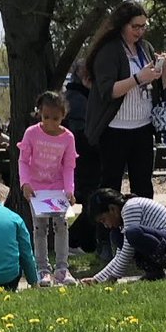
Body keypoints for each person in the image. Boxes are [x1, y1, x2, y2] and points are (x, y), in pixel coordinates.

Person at [85, 0, 166, 198]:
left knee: (143, 189)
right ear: (122, 24)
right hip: (115, 130)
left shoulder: (145, 48)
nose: (140, 31)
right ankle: (105, 229)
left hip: (143, 128)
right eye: (135, 26)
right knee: (110, 188)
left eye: (144, 26)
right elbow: (108, 91)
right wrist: (138, 78)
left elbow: (158, 88)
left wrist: (164, 69)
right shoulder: (109, 50)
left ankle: (142, 228)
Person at [18, 91, 78, 286]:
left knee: (61, 225)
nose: (51, 123)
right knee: (39, 227)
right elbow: (23, 160)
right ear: (39, 114)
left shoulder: (68, 138)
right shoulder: (31, 133)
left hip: (58, 189)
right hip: (37, 190)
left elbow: (69, 165)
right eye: (46, 117)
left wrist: (69, 189)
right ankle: (42, 268)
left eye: (56, 118)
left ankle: (62, 267)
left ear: (63, 116)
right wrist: (25, 183)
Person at [83, 189, 166, 283]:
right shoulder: (122, 220)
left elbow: (128, 249)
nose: (106, 225)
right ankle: (153, 272)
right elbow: (120, 255)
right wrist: (97, 279)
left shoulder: (130, 207)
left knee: (133, 233)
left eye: (103, 220)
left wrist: (113, 277)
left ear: (113, 209)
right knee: (117, 236)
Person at [63, 62, 101, 253]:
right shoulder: (77, 99)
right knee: (93, 200)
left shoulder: (80, 96)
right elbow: (81, 132)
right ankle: (73, 239)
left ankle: (85, 241)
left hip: (86, 158)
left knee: (92, 200)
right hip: (84, 159)